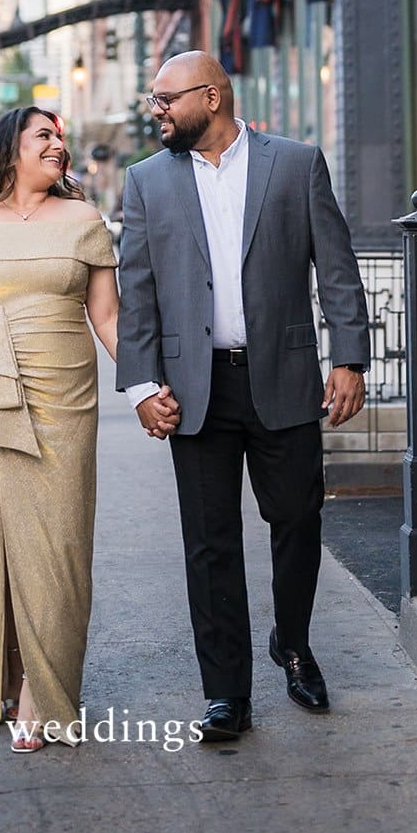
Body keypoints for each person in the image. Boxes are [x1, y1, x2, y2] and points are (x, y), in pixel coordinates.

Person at [116, 52, 369, 743]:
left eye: (166, 98)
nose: (156, 110)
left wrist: (348, 356)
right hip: (193, 387)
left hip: (283, 378)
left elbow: (336, 267)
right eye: (153, 100)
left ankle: (292, 644)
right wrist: (141, 385)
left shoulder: (294, 163)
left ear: (213, 95)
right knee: (209, 542)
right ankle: (225, 694)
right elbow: (135, 291)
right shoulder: (145, 183)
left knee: (296, 519)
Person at [0, 105, 135, 751]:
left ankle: (48, 688)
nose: (59, 145)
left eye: (61, 137)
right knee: (5, 541)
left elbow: (109, 318)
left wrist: (152, 382)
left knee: (62, 543)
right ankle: (14, 681)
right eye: (45, 135)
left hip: (67, 398)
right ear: (10, 148)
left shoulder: (84, 220)